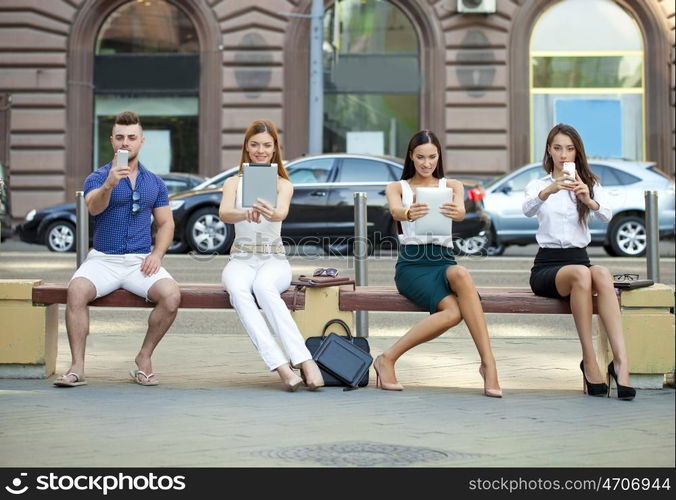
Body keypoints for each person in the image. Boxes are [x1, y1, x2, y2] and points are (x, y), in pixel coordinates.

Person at [54, 111, 181, 388]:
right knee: (76, 291)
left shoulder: (155, 183)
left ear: (141, 141)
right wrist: (110, 184)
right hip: (103, 260)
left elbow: (166, 224)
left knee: (171, 296)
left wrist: (157, 255)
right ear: (112, 141)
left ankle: (144, 358)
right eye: (120, 137)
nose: (126, 143)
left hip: (139, 261)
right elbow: (93, 208)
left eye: (132, 137)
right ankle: (77, 366)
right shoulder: (96, 178)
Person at [376, 130, 502, 397]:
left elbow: (460, 209)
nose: (426, 163)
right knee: (453, 312)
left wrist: (458, 210)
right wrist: (409, 213)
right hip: (412, 265)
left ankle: (488, 363)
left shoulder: (452, 185)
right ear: (411, 156)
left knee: (462, 273)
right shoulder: (398, 187)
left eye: (432, 157)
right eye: (420, 157)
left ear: (439, 157)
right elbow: (396, 210)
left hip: (444, 260)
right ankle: (387, 358)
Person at [523, 123, 635, 400]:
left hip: (579, 260)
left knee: (602, 274)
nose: (564, 155)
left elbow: (606, 215)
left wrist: (588, 199)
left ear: (577, 152)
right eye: (558, 148)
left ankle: (621, 363)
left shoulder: (589, 183)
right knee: (582, 275)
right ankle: (590, 360)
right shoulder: (538, 184)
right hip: (548, 267)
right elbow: (526, 210)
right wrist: (550, 190)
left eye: (570, 149)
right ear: (549, 149)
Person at [219, 119, 324, 392]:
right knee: (239, 291)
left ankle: (304, 360)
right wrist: (244, 212)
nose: (260, 150)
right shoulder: (233, 182)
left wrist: (269, 211)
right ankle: (281, 366)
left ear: (275, 148)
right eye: (254, 144)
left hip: (273, 259)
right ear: (246, 147)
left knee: (264, 288)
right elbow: (224, 213)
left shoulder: (282, 185)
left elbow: (281, 213)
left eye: (267, 145)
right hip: (240, 259)